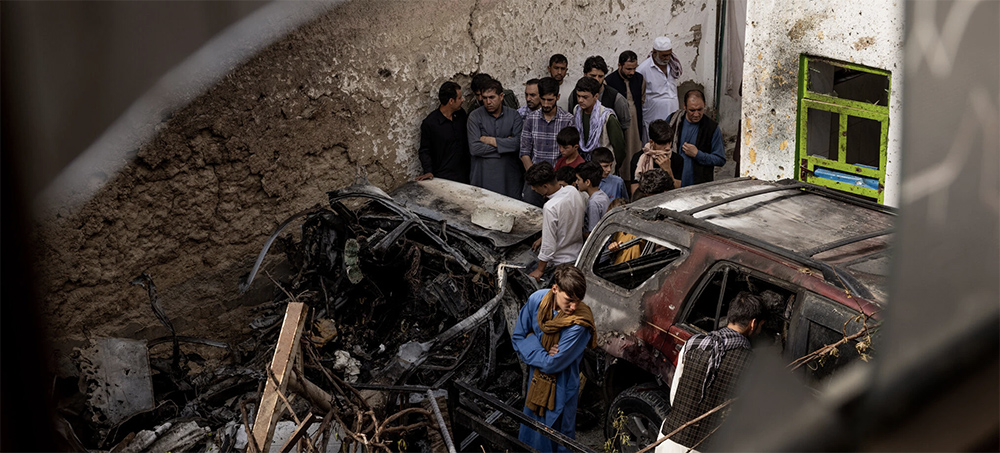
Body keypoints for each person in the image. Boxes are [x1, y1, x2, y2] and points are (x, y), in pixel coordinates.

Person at [656, 292, 764, 453]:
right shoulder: (752, 363)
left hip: (669, 440)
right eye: (762, 326)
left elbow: (675, 394)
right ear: (753, 323)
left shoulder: (693, 343)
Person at [512, 264, 597, 452]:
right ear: (555, 289)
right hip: (536, 381)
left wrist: (531, 342)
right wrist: (542, 352)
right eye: (569, 300)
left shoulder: (579, 324)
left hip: (562, 387)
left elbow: (553, 364)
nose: (574, 307)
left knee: (558, 437)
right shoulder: (537, 301)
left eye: (578, 301)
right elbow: (518, 336)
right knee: (532, 430)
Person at [525, 162, 585, 282]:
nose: (533, 189)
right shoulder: (572, 191)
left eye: (535, 186)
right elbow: (567, 222)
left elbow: (548, 246)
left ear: (545, 186)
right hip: (577, 255)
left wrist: (540, 270)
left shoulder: (550, 207)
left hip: (559, 263)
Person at [520, 77, 574, 206]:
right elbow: (524, 152)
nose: (545, 104)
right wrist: (534, 177)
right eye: (543, 99)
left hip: (558, 182)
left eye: (550, 100)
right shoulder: (531, 119)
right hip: (535, 180)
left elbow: (571, 154)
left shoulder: (568, 120)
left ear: (558, 97)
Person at [468, 79, 524, 199]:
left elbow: (518, 144)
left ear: (501, 96)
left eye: (492, 97)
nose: (488, 102)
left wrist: (491, 141)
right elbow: (475, 148)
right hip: (483, 176)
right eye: (485, 98)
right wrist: (505, 146)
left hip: (509, 178)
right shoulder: (475, 116)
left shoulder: (514, 116)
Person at [668, 89, 725, 187]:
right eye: (692, 110)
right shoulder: (674, 121)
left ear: (705, 105)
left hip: (699, 186)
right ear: (684, 106)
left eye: (700, 110)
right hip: (674, 183)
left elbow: (720, 159)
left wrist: (697, 154)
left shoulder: (711, 128)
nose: (696, 114)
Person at [416, 81, 470, 183]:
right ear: (451, 101)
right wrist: (428, 171)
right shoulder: (430, 123)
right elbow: (425, 150)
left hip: (464, 175)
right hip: (444, 178)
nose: (462, 100)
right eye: (459, 98)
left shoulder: (461, 115)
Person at [604, 50, 646, 180]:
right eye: (628, 69)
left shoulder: (639, 79)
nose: (631, 72)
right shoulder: (609, 81)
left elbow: (642, 99)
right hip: (618, 125)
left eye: (634, 68)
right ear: (619, 66)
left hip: (635, 124)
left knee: (635, 152)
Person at [568, 56, 631, 136]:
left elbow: (624, 126)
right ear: (585, 75)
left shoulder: (616, 98)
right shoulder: (575, 95)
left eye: (600, 76)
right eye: (593, 76)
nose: (597, 79)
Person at [573, 77, 626, 164]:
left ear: (596, 96)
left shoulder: (607, 117)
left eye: (585, 97)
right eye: (578, 96)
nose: (580, 100)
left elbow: (619, 148)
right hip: (583, 165)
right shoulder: (577, 110)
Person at [637, 37, 683, 135]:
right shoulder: (643, 69)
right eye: (664, 56)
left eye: (669, 55)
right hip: (654, 114)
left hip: (673, 110)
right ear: (654, 53)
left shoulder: (673, 65)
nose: (667, 58)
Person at [631, 119, 681, 195]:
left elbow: (678, 190)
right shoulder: (639, 159)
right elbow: (635, 191)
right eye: (662, 144)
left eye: (669, 142)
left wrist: (668, 170)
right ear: (652, 142)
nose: (667, 147)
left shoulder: (677, 159)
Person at [575, 161, 609, 238]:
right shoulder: (602, 195)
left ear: (587, 182)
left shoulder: (593, 203)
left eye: (578, 179)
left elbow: (592, 234)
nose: (576, 182)